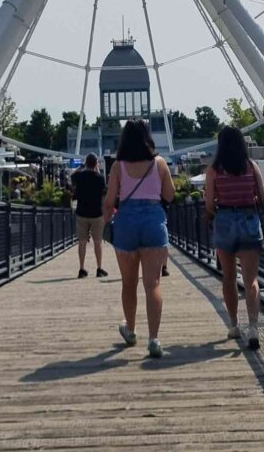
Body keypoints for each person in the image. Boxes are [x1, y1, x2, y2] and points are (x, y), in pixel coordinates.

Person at [104, 119, 175, 358]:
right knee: (152, 283)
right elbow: (170, 195)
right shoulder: (159, 163)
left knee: (129, 282)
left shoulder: (118, 166)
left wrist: (104, 223)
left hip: (126, 221)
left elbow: (109, 200)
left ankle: (131, 330)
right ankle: (154, 339)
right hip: (153, 220)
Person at [205, 126, 264, 349]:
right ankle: (253, 327)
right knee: (251, 279)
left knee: (229, 277)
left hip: (225, 221)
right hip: (249, 219)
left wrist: (215, 212)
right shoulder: (251, 166)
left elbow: (210, 202)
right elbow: (263, 197)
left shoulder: (215, 170)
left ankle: (233, 324)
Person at [72, 153, 108, 279]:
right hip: (96, 214)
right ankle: (99, 268)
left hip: (81, 212)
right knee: (98, 242)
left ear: (86, 163)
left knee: (82, 242)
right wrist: (97, 170)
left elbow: (72, 176)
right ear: (96, 163)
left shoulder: (79, 176)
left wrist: (81, 167)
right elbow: (103, 192)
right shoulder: (100, 178)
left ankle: (81, 269)